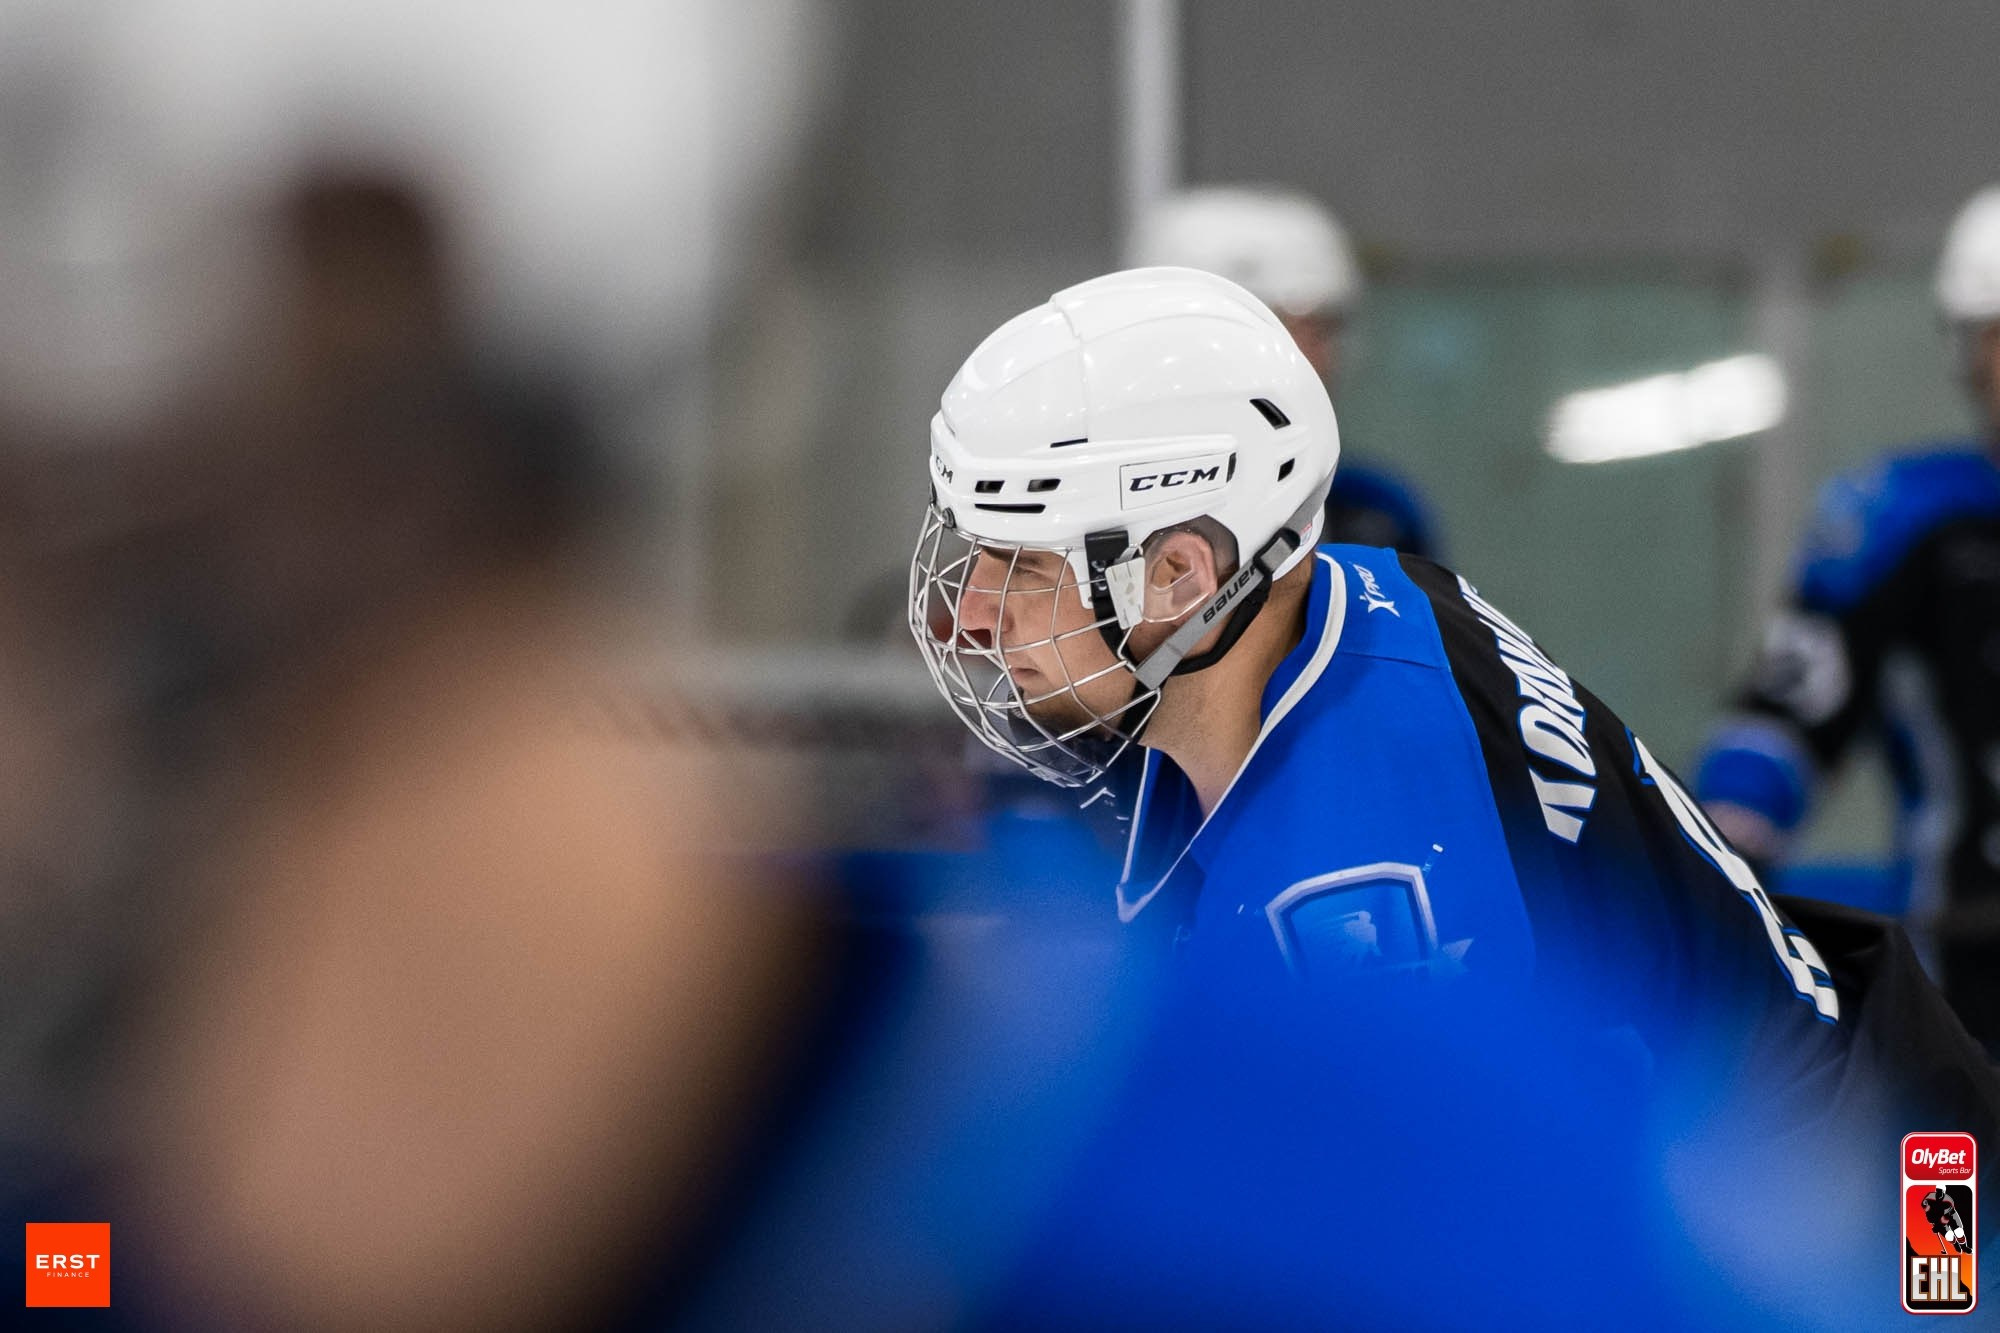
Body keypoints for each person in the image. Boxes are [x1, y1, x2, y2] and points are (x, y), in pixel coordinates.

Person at [907, 266, 1999, 1149]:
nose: (973, 614)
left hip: (1880, 1209)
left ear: (1184, 576)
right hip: (1826, 1119)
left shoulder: (1361, 872)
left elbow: (1442, 1242)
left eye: (1020, 564)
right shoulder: (1326, 599)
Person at [1693, 185, 2000, 1048]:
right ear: (1969, 354)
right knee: (1949, 1186)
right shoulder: (1902, 515)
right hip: (1968, 962)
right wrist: (1712, 872)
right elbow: (1787, 715)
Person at [1129, 185, 1439, 557]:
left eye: (1323, 330)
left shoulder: (1374, 511)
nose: (1312, 357)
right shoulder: (1084, 504)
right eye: (1278, 327)